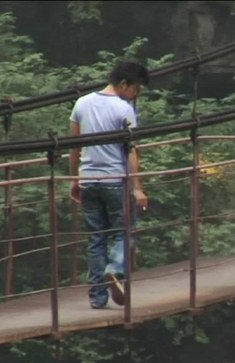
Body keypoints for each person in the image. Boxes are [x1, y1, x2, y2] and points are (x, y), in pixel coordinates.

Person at [69, 61, 150, 309]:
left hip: (88, 181)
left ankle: (97, 297)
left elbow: (74, 147)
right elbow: (130, 151)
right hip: (115, 181)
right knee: (126, 232)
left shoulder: (81, 103)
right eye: (135, 89)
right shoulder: (123, 109)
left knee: (96, 239)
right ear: (124, 84)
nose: (135, 95)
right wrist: (137, 187)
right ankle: (115, 269)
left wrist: (75, 180)